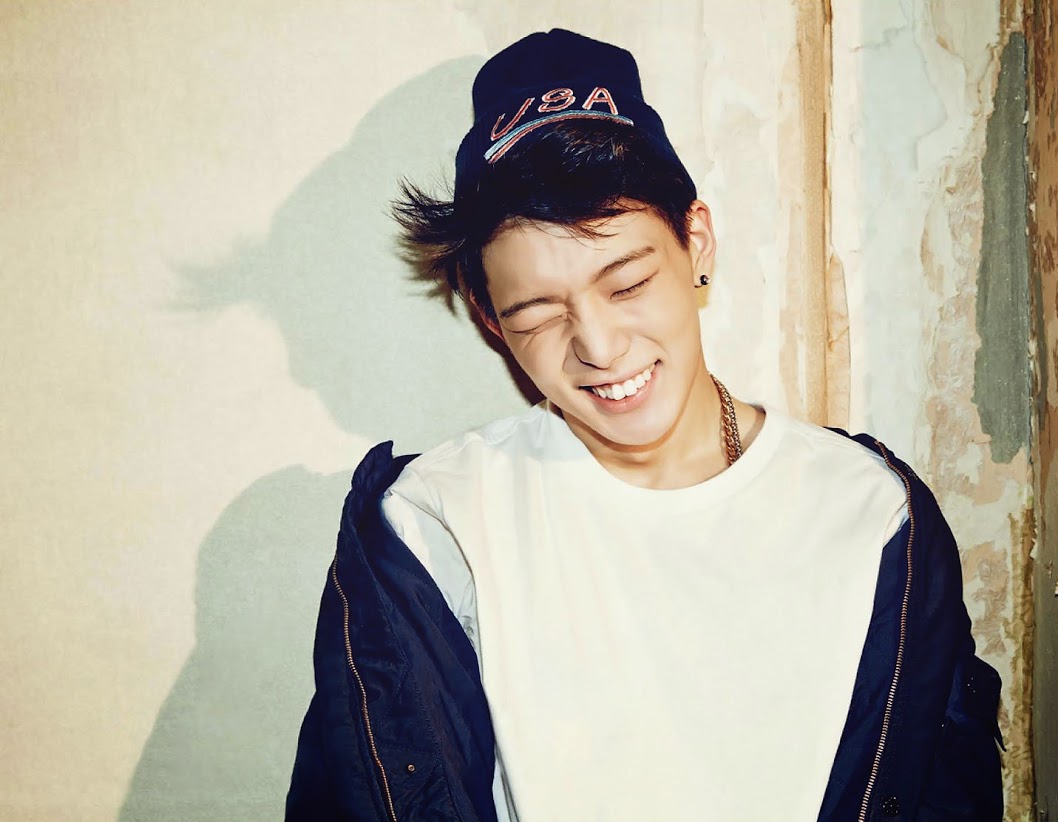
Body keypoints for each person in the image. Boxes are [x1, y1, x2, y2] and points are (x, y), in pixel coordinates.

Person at [287, 29, 1004, 822]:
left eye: (626, 284)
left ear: (695, 242)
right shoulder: (436, 524)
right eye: (536, 312)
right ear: (490, 320)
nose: (597, 346)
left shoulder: (870, 512)